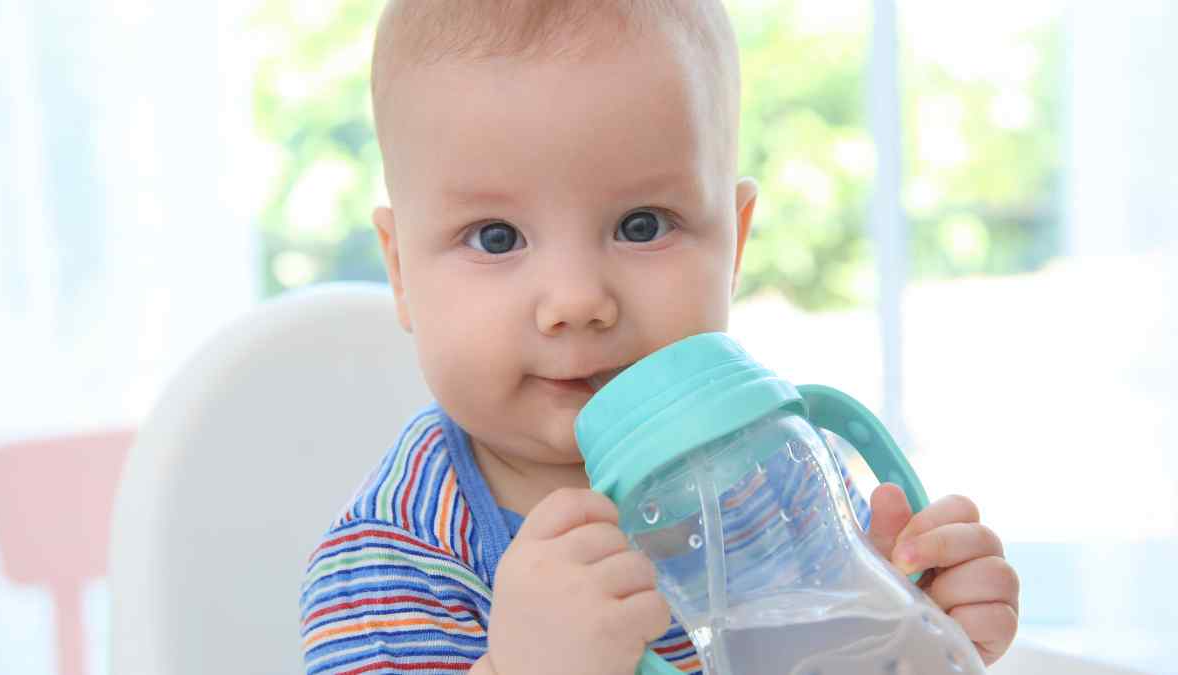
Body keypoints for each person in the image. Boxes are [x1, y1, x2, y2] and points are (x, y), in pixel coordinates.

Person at [299, 2, 1020, 673]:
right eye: (496, 237)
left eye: (642, 225)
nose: (577, 301)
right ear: (401, 273)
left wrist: (915, 621)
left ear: (733, 246)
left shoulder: (777, 480)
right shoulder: (390, 565)